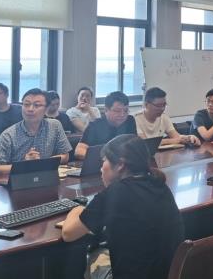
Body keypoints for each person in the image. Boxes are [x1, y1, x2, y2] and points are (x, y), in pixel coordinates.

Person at [62, 134, 184, 279]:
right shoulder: (159, 184)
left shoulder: (116, 191)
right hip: (167, 274)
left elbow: (68, 234)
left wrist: (76, 210)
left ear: (120, 165)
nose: (101, 168)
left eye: (104, 161)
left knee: (92, 255)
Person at [0, 88, 72, 176]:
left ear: (46, 109)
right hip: (18, 180)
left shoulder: (55, 126)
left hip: (46, 177)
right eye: (26, 104)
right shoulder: (8, 135)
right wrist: (25, 165)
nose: (30, 109)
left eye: (37, 105)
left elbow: (65, 155)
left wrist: (42, 163)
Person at [75, 91, 136, 160]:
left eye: (126, 111)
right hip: (102, 162)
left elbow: (135, 146)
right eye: (117, 111)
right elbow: (79, 151)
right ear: (106, 110)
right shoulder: (95, 125)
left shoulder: (130, 121)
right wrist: (107, 159)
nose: (122, 114)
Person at [134, 87, 200, 146]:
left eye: (164, 105)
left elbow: (176, 137)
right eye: (158, 105)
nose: (162, 108)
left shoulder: (164, 117)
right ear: (146, 104)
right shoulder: (135, 119)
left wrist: (188, 137)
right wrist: (171, 141)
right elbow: (145, 143)